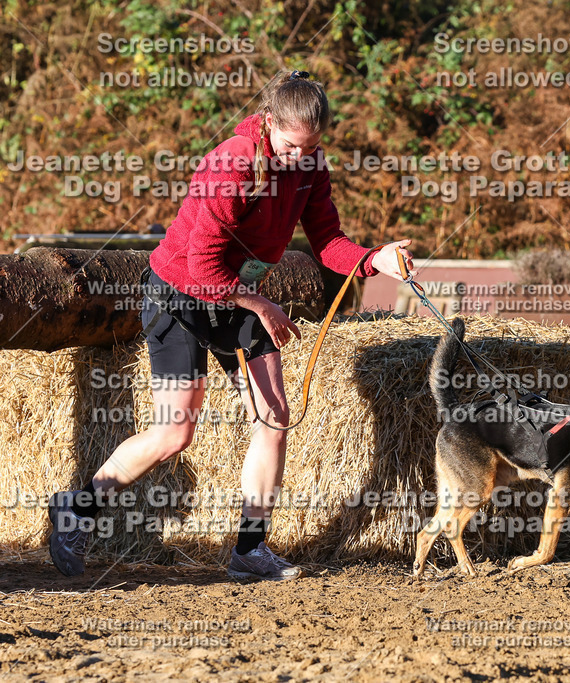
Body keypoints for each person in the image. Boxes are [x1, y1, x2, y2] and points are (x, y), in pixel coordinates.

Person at [48, 69, 414, 580]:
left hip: (237, 296)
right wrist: (262, 305)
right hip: (181, 293)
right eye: (290, 147)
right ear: (269, 122)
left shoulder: (311, 165)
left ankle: (250, 548)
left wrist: (377, 260)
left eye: (310, 149)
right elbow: (201, 266)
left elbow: (329, 242)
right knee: (175, 433)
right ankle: (77, 508)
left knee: (275, 415)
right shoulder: (234, 162)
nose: (298, 158)